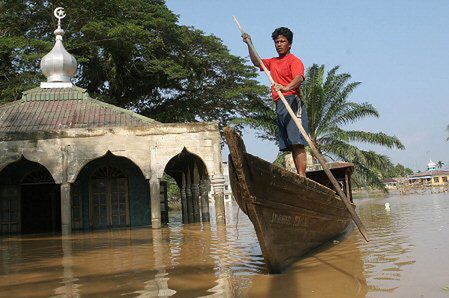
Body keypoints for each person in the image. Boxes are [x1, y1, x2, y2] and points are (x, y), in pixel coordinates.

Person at [242, 27, 310, 177]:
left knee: (297, 141)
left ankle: (302, 176)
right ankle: (299, 175)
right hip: (280, 103)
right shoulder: (273, 62)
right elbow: (256, 62)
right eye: (277, 42)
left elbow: (298, 78)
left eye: (282, 41)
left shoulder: (294, 60)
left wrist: (285, 88)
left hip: (292, 101)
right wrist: (249, 43)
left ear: (289, 44)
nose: (279, 44)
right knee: (291, 144)